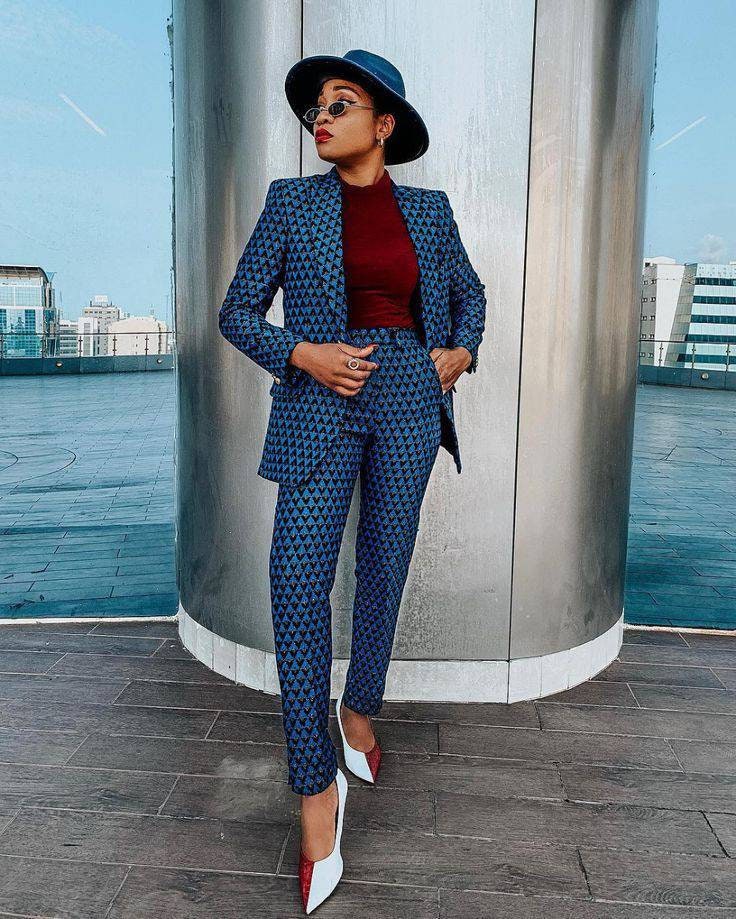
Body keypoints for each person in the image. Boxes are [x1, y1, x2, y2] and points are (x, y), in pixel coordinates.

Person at [218, 49, 487, 914]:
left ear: (384, 123)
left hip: (408, 395)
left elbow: (470, 294)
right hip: (320, 402)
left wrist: (462, 350)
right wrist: (301, 351)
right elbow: (235, 311)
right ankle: (315, 792)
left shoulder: (429, 211)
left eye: (340, 104)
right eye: (315, 111)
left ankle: (360, 708)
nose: (321, 120)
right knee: (297, 580)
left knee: (383, 566)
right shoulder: (290, 202)